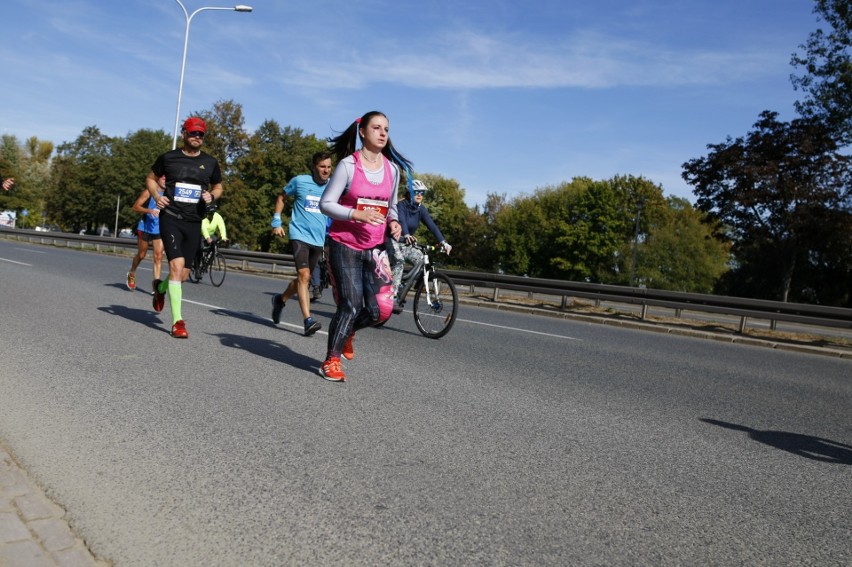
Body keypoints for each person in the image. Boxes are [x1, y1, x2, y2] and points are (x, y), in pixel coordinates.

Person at [318, 111, 408, 382]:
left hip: (375, 248)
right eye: (377, 128)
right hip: (344, 245)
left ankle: (348, 332)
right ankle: (331, 361)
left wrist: (393, 222)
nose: (382, 133)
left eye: (386, 129)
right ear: (362, 132)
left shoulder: (392, 170)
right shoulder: (348, 166)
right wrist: (355, 214)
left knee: (382, 309)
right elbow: (326, 203)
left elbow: (391, 207)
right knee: (350, 305)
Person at [146, 116, 223, 338]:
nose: (197, 137)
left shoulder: (210, 162)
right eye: (193, 133)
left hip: (194, 222)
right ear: (184, 134)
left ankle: (160, 289)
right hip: (171, 217)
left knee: (183, 275)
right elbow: (150, 179)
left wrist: (212, 195)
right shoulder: (169, 158)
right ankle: (178, 322)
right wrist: (155, 196)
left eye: (201, 134)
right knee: (177, 266)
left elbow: (218, 186)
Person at [270, 151, 332, 336]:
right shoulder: (299, 181)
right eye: (322, 167)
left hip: (318, 239)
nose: (326, 171)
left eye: (329, 167)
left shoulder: (332, 186)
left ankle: (280, 300)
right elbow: (281, 197)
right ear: (314, 167)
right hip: (299, 235)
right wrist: (276, 221)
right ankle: (308, 320)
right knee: (304, 276)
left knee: (301, 280)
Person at [390, 179, 452, 313]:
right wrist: (406, 234)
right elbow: (401, 220)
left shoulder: (421, 209)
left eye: (422, 193)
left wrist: (444, 242)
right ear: (409, 192)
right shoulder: (401, 205)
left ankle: (402, 287)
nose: (420, 195)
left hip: (406, 244)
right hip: (393, 241)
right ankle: (393, 297)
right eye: (416, 192)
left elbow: (432, 226)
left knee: (420, 259)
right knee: (399, 260)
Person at [126, 176, 165, 291]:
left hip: (159, 229)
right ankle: (132, 272)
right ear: (158, 179)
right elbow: (135, 207)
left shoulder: (169, 194)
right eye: (163, 178)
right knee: (141, 255)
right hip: (145, 228)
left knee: (158, 257)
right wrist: (149, 211)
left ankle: (156, 285)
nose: (165, 180)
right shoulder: (149, 192)